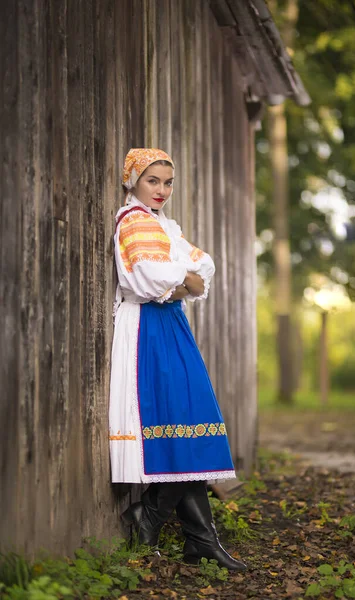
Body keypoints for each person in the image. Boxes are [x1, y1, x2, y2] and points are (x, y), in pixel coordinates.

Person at [109, 148, 246, 572]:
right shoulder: (133, 222)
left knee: (191, 422)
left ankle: (170, 525)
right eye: (153, 180)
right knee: (179, 423)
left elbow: (203, 269)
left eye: (168, 182)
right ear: (133, 180)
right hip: (147, 328)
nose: (162, 190)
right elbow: (153, 280)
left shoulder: (164, 225)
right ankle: (179, 530)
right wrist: (181, 278)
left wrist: (182, 280)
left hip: (170, 322)